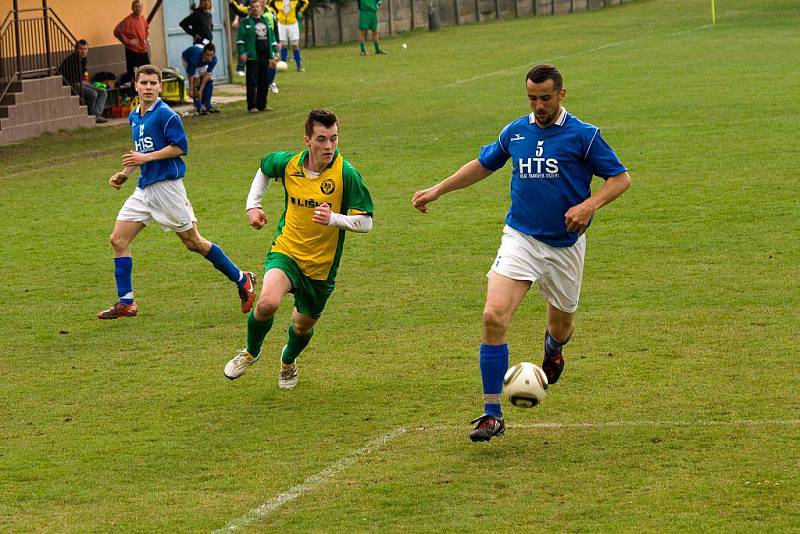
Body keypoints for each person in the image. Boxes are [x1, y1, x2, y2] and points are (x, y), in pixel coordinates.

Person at [411, 64, 631, 442]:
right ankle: (491, 413)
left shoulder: (585, 136)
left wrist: (590, 205)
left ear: (562, 94)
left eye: (545, 98)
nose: (538, 105)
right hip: (520, 238)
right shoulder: (516, 131)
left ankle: (553, 346)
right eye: (532, 98)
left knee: (562, 327)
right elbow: (483, 165)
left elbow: (620, 178)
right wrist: (438, 189)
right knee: (493, 315)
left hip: (564, 245)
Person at [224, 109, 374, 389]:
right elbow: (264, 169)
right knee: (267, 302)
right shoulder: (289, 164)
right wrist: (253, 205)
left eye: (334, 138)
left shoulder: (347, 174)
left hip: (321, 266)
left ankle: (288, 360)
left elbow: (366, 222)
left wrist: (334, 219)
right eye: (321, 139)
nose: (329, 146)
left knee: (302, 326)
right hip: (287, 250)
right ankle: (250, 352)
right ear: (307, 140)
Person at [98, 64, 256, 320]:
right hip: (144, 190)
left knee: (194, 242)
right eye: (144, 83)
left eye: (153, 83)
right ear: (136, 86)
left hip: (168, 189)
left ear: (159, 86)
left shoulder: (167, 115)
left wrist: (145, 158)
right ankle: (126, 302)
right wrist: (124, 173)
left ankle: (242, 279)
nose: (148, 87)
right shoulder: (134, 115)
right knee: (118, 239)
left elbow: (179, 148)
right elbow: (139, 149)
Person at [236, 0, 278, 113]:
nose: (255, 8)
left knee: (264, 81)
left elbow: (272, 37)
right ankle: (252, 106)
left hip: (265, 55)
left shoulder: (266, 20)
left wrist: (275, 51)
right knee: (252, 81)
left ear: (261, 8)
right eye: (253, 7)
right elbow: (240, 39)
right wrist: (242, 52)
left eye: (257, 6)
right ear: (250, 8)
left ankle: (262, 105)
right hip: (252, 56)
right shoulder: (245, 22)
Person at [58, 39, 108, 123]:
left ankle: (96, 114)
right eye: (81, 49)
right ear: (76, 49)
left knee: (103, 92)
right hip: (72, 83)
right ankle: (91, 115)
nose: (83, 51)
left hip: (80, 82)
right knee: (93, 94)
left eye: (85, 49)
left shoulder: (83, 60)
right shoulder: (71, 61)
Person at [113, 0, 150, 93]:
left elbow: (146, 30)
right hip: (132, 52)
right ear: (132, 8)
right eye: (136, 6)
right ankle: (135, 94)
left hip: (143, 51)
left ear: (142, 8)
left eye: (139, 6)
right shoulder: (127, 20)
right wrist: (128, 41)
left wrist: (145, 39)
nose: (138, 8)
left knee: (148, 71)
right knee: (134, 75)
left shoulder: (142, 18)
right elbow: (117, 32)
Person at [269, 0, 308, 72]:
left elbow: (306, 2)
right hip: (281, 23)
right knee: (283, 45)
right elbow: (268, 4)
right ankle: (283, 65)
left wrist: (300, 11)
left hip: (293, 23)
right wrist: (275, 13)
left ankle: (299, 66)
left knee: (295, 45)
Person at [181, 41, 219, 114]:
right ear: (203, 53)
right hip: (187, 59)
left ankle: (207, 104)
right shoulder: (194, 58)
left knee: (209, 80)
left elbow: (207, 75)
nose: (209, 58)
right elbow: (191, 75)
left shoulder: (213, 59)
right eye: (207, 55)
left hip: (201, 62)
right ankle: (199, 106)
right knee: (197, 80)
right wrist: (191, 90)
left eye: (211, 55)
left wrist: (201, 90)